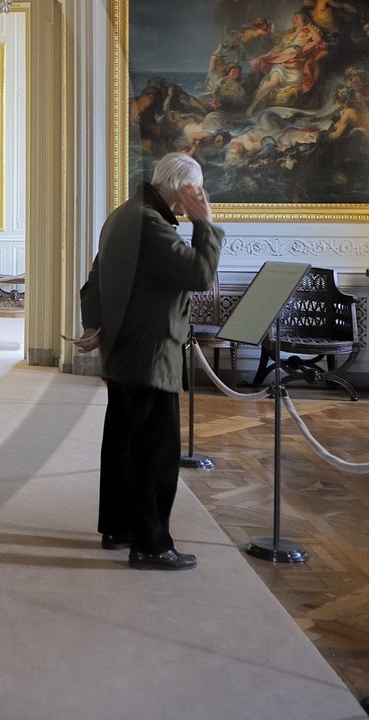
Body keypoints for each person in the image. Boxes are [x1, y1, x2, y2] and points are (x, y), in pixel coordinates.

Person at [73, 152, 223, 571]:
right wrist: (205, 224)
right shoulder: (151, 224)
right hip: (150, 354)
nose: (198, 197)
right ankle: (152, 544)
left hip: (124, 350)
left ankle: (118, 528)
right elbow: (197, 275)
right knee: (155, 452)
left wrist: (94, 324)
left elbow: (95, 278)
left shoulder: (124, 214)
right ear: (181, 189)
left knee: (123, 442)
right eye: (196, 190)